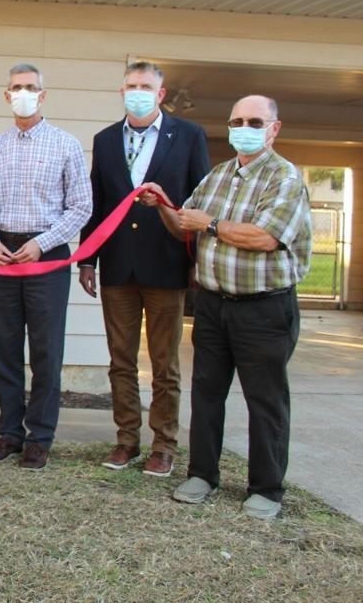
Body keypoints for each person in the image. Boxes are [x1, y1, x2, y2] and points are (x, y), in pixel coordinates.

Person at [140, 95, 311, 520]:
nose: (244, 127)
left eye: (255, 120)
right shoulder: (218, 176)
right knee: (208, 392)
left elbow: (266, 237)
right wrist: (164, 202)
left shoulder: (284, 178)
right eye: (237, 120)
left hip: (265, 309)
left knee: (265, 400)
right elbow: (184, 222)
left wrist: (211, 225)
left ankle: (267, 488)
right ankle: (202, 474)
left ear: (274, 128)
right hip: (214, 306)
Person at [79, 61, 210, 478]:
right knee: (121, 361)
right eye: (131, 85)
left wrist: (195, 259)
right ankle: (126, 440)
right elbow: (98, 203)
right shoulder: (105, 139)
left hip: (167, 263)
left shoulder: (187, 136)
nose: (137, 91)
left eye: (145, 86)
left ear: (160, 93)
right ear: (122, 92)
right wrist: (87, 258)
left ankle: (164, 445)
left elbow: (199, 200)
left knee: (165, 362)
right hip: (118, 263)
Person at [0, 63, 92, 470]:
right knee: (4, 347)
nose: (23, 93)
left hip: (47, 254)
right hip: (3, 253)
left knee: (45, 349)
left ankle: (40, 437)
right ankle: (9, 432)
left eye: (31, 87)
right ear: (6, 96)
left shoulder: (65, 145)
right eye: (16, 87)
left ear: (43, 95)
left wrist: (42, 244)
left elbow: (81, 206)